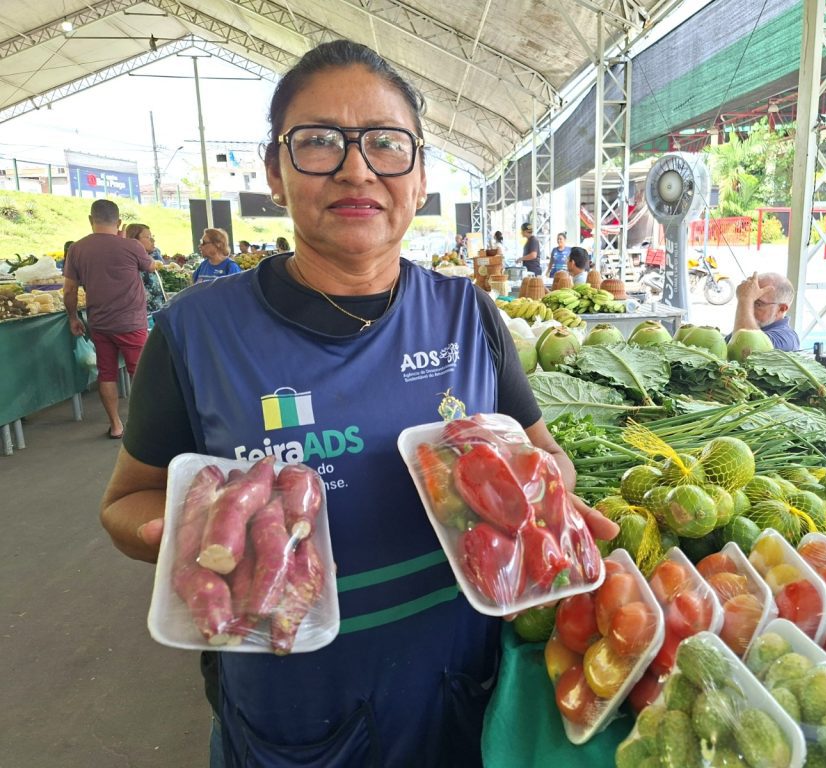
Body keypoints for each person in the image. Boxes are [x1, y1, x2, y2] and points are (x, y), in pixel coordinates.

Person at [98, 39, 617, 768]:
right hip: (291, 708)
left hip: (456, 694)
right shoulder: (196, 333)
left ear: (420, 173)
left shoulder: (468, 314)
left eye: (385, 142)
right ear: (275, 173)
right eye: (317, 142)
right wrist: (169, 539)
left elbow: (546, 455)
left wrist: (547, 501)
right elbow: (126, 500)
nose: (355, 166)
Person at [63, 199, 156, 439]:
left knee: (107, 374)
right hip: (131, 322)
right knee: (142, 373)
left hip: (99, 323)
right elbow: (151, 267)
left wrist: (73, 317)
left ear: (91, 220)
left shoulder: (77, 249)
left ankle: (116, 425)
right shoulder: (132, 246)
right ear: (119, 222)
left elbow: (69, 290)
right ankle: (145, 425)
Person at [729, 270, 800, 351]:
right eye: (749, 302)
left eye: (758, 304)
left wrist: (746, 299)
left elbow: (743, 350)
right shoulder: (748, 327)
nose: (748, 308)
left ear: (781, 309)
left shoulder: (786, 339)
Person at [125, 223, 167, 314]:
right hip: (144, 317)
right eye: (148, 237)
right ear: (135, 241)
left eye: (152, 236)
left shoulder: (151, 258)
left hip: (158, 314)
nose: (153, 240)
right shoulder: (133, 265)